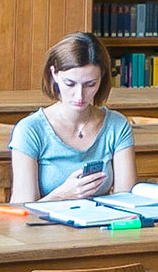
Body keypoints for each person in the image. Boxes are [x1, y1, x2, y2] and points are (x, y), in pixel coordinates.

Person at [8, 32, 137, 202]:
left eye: (90, 84)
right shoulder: (30, 130)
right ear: (54, 74)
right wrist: (61, 195)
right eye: (70, 84)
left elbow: (127, 200)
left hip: (99, 225)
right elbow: (21, 210)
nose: (79, 95)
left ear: (102, 77)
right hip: (45, 227)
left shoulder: (117, 126)